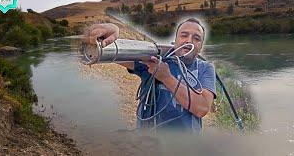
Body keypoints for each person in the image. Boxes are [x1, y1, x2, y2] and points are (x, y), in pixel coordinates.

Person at [85, 18, 216, 133]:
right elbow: (101, 54)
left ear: (201, 46)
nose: (189, 41)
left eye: (196, 38)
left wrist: (166, 78)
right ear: (175, 40)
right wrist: (105, 37)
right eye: (184, 35)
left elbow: (202, 108)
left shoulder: (205, 68)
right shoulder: (155, 59)